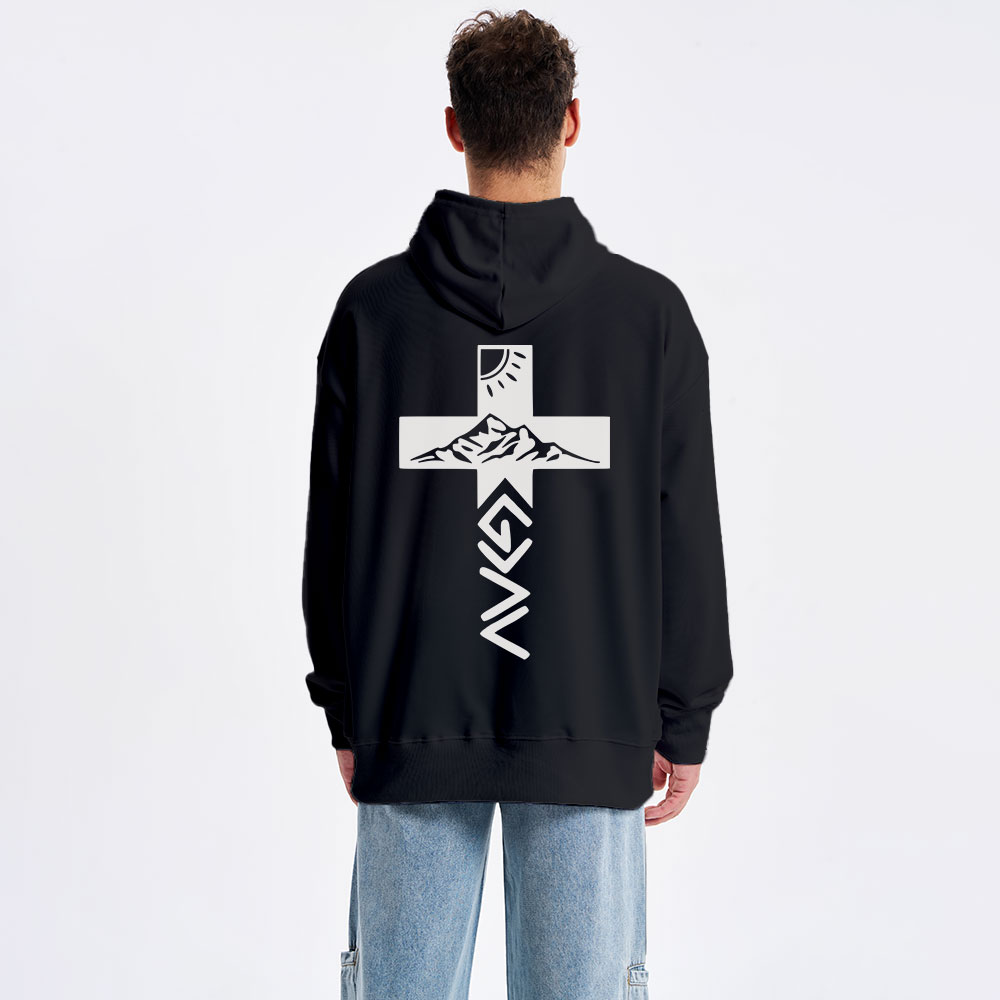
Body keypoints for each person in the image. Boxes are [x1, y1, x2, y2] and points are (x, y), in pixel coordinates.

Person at [301, 9, 733, 999]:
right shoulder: (647, 318)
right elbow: (686, 532)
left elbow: (331, 537)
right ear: (571, 121)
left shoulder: (375, 314)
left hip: (410, 715)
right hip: (592, 715)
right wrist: (685, 713)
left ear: (455, 127)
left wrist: (348, 709)